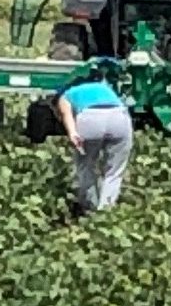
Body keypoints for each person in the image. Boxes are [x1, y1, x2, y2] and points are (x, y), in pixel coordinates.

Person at [57, 76, 136, 214]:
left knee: (85, 165)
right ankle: (106, 210)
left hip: (90, 118)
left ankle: (89, 208)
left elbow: (66, 114)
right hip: (119, 117)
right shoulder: (104, 88)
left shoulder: (66, 95)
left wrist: (72, 133)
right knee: (114, 171)